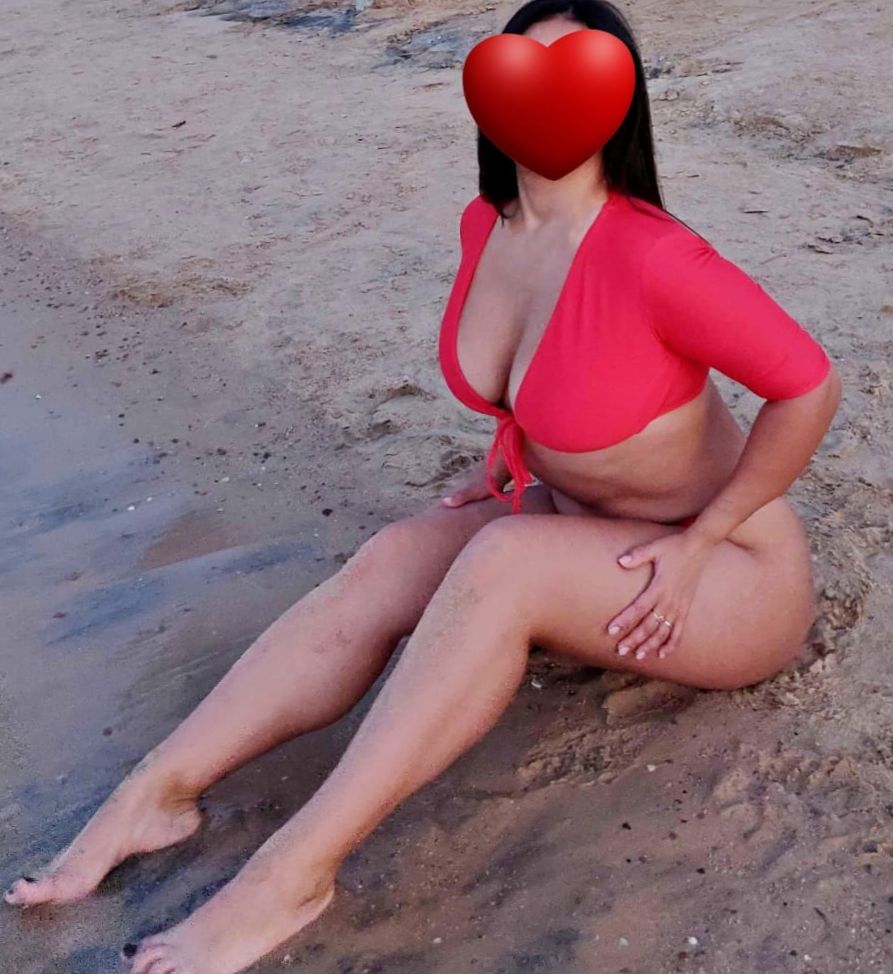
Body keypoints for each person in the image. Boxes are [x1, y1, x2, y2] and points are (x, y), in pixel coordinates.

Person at [4, 2, 841, 972]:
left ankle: (291, 876)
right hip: (581, 527)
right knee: (396, 553)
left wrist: (704, 537)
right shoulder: (487, 223)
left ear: (616, 103)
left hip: (726, 578)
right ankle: (156, 792)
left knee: (501, 558)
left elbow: (807, 385)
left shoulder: (655, 256)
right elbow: (552, 374)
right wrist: (520, 445)